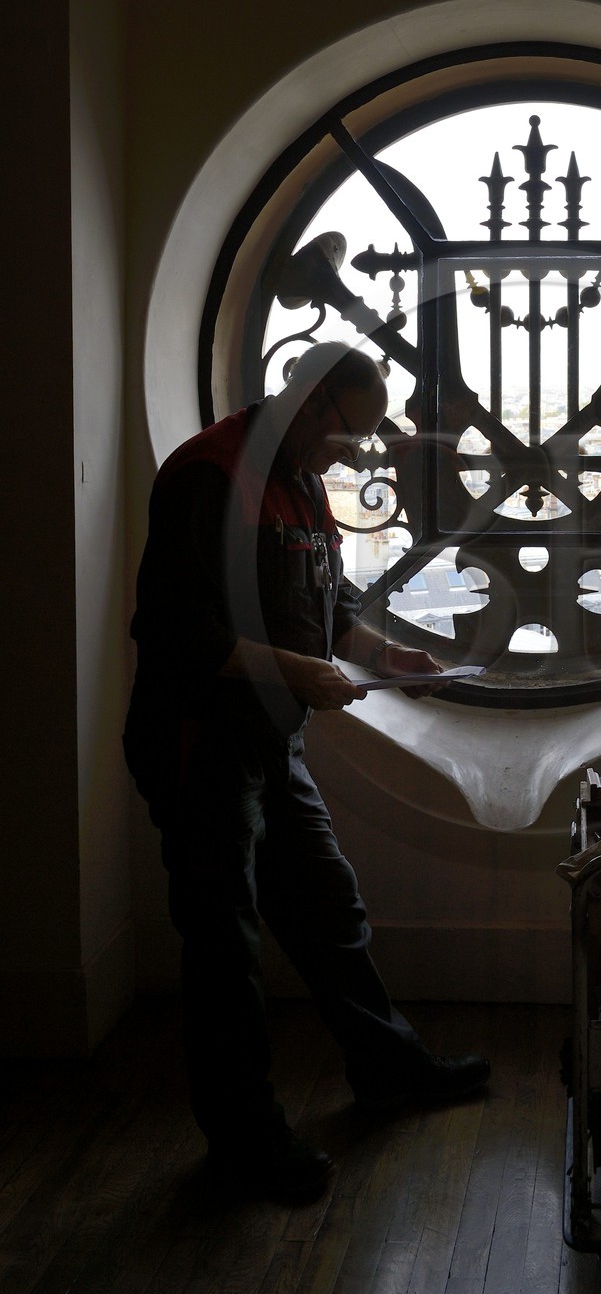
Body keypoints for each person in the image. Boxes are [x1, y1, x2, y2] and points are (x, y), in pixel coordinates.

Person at [123, 342, 490, 1201]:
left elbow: (330, 605)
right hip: (200, 744)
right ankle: (244, 1143)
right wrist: (299, 671)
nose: (353, 454)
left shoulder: (294, 478)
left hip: (265, 740)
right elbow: (179, 629)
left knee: (326, 905)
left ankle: (387, 1067)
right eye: (350, 435)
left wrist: (381, 652)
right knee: (224, 947)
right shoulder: (209, 475)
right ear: (313, 403)